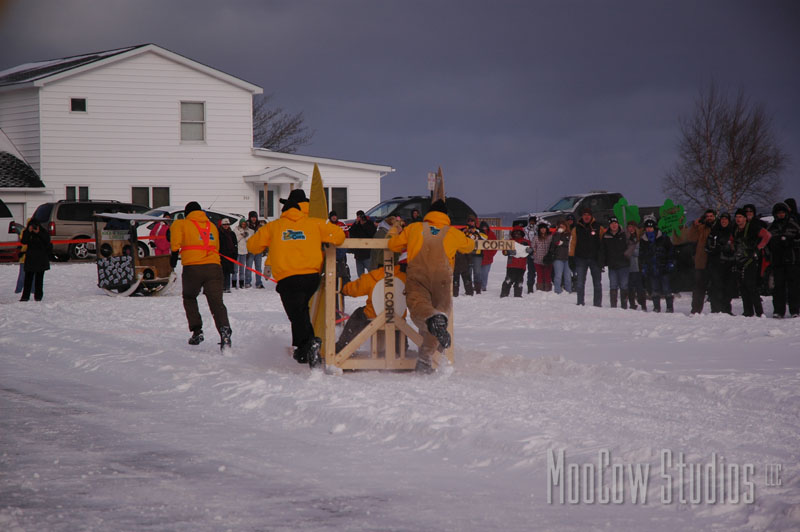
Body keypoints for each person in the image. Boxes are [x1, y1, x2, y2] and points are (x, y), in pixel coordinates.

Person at [247, 189, 346, 367]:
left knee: (297, 314)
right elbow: (339, 236)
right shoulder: (314, 223)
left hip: (289, 278)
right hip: (311, 277)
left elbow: (252, 246)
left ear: (284, 210)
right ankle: (303, 351)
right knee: (301, 312)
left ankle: (309, 344)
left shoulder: (274, 226)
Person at [387, 199, 475, 373]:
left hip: (418, 275)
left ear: (429, 214)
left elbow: (393, 245)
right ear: (446, 216)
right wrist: (470, 236)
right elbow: (469, 246)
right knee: (440, 314)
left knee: (419, 307)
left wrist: (393, 230)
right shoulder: (452, 233)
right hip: (442, 279)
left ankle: (431, 321)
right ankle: (425, 358)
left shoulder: (414, 228)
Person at [170, 201, 232, 350]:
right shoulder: (211, 226)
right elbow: (216, 246)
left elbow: (174, 245)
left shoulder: (181, 224)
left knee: (190, 297)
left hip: (193, 268)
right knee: (217, 302)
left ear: (187, 213)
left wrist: (172, 260)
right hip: (214, 267)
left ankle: (197, 331)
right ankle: (224, 330)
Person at [336, 258, 407, 353]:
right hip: (397, 317)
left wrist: (344, 289)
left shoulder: (372, 276)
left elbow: (354, 289)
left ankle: (343, 345)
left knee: (358, 314)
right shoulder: (404, 277)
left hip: (373, 315)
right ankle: (400, 348)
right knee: (400, 318)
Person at [673, 209, 716, 314]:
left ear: (715, 217)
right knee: (698, 288)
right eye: (707, 216)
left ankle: (717, 309)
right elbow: (691, 238)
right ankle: (695, 310)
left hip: (715, 261)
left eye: (711, 216)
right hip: (701, 261)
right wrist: (694, 226)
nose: (709, 218)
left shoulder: (718, 227)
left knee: (715, 287)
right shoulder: (701, 227)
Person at [732, 208, 771, 317]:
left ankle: (759, 312)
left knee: (751, 286)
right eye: (736, 217)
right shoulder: (735, 229)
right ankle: (748, 312)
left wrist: (758, 248)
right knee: (743, 287)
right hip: (739, 260)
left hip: (751, 260)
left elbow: (767, 235)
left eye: (740, 217)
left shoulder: (753, 227)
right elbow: (732, 240)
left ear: (745, 218)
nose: (738, 219)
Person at [767, 202, 800, 318]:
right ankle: (779, 311)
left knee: (793, 287)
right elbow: (765, 244)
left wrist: (792, 243)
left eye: (782, 213)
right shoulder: (771, 227)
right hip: (777, 261)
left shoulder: (794, 226)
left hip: (792, 260)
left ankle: (795, 310)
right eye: (778, 213)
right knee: (778, 288)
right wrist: (772, 247)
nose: (781, 215)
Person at [639, 217, 675, 313]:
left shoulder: (663, 237)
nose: (649, 229)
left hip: (664, 267)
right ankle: (656, 307)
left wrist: (670, 262)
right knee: (654, 290)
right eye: (647, 228)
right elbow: (641, 255)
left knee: (667, 289)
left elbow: (671, 250)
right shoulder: (643, 240)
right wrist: (644, 267)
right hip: (651, 268)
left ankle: (669, 307)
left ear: (654, 228)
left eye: (650, 228)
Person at [570, 207, 604, 307]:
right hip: (581, 259)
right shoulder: (576, 228)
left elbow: (603, 244)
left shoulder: (599, 227)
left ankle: (597, 304)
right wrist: (571, 257)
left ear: (591, 216)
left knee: (597, 284)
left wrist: (602, 258)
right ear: (582, 216)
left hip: (595, 259)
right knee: (580, 283)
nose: (586, 217)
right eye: (584, 215)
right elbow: (572, 243)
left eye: (588, 215)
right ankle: (580, 303)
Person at [705, 213, 736, 314]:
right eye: (722, 219)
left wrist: (731, 249)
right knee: (715, 287)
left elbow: (737, 246)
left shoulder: (733, 231)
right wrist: (718, 248)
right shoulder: (714, 232)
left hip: (729, 263)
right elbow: (708, 246)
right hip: (716, 263)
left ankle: (726, 309)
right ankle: (715, 309)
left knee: (728, 288)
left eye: (726, 219)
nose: (724, 221)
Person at [598, 216, 630, 308]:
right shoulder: (606, 236)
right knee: (613, 285)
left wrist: (627, 256)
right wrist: (602, 263)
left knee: (624, 285)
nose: (614, 225)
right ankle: (613, 306)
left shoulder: (624, 234)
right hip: (612, 265)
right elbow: (602, 251)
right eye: (612, 224)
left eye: (615, 223)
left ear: (618, 224)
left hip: (624, 264)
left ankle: (624, 306)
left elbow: (630, 246)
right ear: (609, 225)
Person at [19, 219, 51, 302]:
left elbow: (47, 241)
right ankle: (25, 297)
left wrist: (38, 233)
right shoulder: (27, 233)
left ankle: (38, 297)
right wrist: (28, 231)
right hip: (30, 258)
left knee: (39, 279)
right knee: (28, 279)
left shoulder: (43, 232)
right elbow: (24, 241)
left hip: (41, 258)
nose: (34, 227)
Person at [460, 214, 485, 294]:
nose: (470, 222)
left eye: (472, 221)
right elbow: (457, 237)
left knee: (477, 272)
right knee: (468, 272)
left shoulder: (479, 230)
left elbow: (485, 238)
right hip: (466, 254)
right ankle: (469, 289)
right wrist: (463, 232)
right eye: (469, 221)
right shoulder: (463, 230)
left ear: (475, 222)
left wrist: (476, 232)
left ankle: (478, 290)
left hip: (477, 254)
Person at [625, 220, 647, 311]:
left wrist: (631, 251)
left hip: (638, 266)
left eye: (633, 227)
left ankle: (643, 304)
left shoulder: (640, 239)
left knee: (640, 286)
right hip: (628, 266)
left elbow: (638, 252)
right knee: (630, 286)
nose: (631, 229)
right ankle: (632, 304)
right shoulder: (625, 238)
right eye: (629, 227)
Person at [349, 209, 376, 277]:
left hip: (368, 253)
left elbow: (371, 233)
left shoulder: (369, 223)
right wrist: (356, 223)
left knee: (372, 273)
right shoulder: (356, 225)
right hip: (358, 254)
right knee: (360, 275)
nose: (360, 218)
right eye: (358, 216)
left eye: (361, 216)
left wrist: (364, 224)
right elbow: (351, 232)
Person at [550, 221, 572, 295]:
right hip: (558, 258)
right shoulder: (555, 234)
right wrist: (558, 233)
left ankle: (568, 291)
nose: (562, 228)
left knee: (568, 276)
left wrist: (562, 243)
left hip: (568, 258)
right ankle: (557, 291)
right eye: (560, 226)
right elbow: (555, 242)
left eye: (563, 226)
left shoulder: (570, 235)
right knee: (558, 276)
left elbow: (570, 244)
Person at [244, 211, 265, 289]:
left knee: (258, 268)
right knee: (249, 267)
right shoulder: (246, 226)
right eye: (252, 217)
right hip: (250, 249)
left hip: (258, 249)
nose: (254, 219)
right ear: (250, 217)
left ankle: (259, 282)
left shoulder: (260, 226)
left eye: (255, 217)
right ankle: (247, 282)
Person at [531, 222, 553, 291]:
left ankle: (548, 289)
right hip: (538, 259)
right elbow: (533, 247)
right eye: (541, 228)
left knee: (547, 275)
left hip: (548, 259)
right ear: (539, 230)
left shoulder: (550, 237)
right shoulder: (536, 238)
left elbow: (553, 246)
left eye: (544, 228)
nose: (543, 230)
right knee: (539, 275)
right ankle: (540, 289)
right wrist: (534, 253)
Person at [217, 218, 238, 293]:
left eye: (227, 224)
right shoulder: (218, 233)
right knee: (221, 272)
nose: (226, 226)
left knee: (228, 272)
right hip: (221, 255)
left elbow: (235, 244)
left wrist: (235, 255)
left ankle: (227, 286)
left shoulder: (232, 234)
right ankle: (222, 286)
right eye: (224, 225)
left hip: (230, 255)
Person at [232, 219, 251, 288]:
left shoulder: (248, 230)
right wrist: (241, 235)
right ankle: (234, 283)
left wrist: (246, 236)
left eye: (244, 224)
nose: (243, 225)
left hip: (244, 251)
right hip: (237, 251)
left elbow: (248, 240)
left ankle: (241, 282)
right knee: (235, 269)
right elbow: (235, 239)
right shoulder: (236, 230)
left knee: (242, 268)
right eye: (242, 224)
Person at [479, 221, 497, 292]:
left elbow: (495, 246)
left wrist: (491, 255)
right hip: (479, 257)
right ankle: (478, 285)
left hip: (488, 258)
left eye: (485, 227)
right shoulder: (477, 234)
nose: (484, 228)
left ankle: (483, 286)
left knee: (485, 273)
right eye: (483, 227)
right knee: (478, 273)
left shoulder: (491, 234)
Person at [523, 216, 538, 293]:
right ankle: (530, 287)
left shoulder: (538, 229)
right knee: (531, 271)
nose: (532, 222)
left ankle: (540, 287)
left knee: (539, 271)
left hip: (538, 252)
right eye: (531, 221)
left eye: (533, 221)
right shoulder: (525, 229)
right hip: (528, 252)